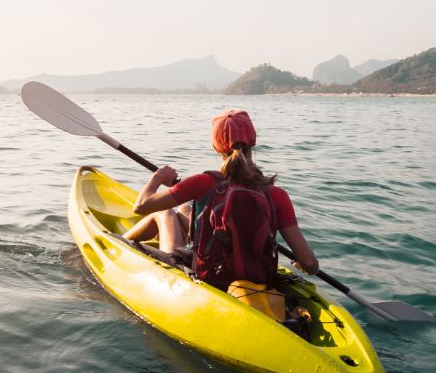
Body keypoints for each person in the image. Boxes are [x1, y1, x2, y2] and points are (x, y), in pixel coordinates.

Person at [120, 109, 322, 323]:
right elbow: (309, 263)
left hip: (210, 278)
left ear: (216, 146)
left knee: (165, 213)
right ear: (253, 141)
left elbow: (141, 206)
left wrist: (158, 177)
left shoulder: (202, 182)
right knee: (185, 210)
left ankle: (118, 242)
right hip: (260, 278)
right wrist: (303, 263)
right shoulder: (276, 194)